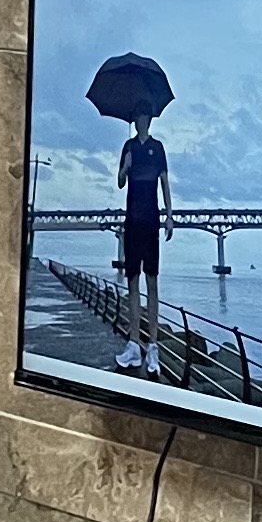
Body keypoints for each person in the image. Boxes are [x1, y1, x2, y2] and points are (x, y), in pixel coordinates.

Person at [115, 115, 174, 352]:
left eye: (145, 117)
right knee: (132, 282)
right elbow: (120, 182)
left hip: (151, 221)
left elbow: (165, 182)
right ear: (136, 121)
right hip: (132, 221)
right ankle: (133, 342)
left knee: (152, 283)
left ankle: (153, 345)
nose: (142, 121)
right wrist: (126, 167)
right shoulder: (128, 147)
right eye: (139, 117)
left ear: (149, 121)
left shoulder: (157, 148)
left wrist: (169, 216)